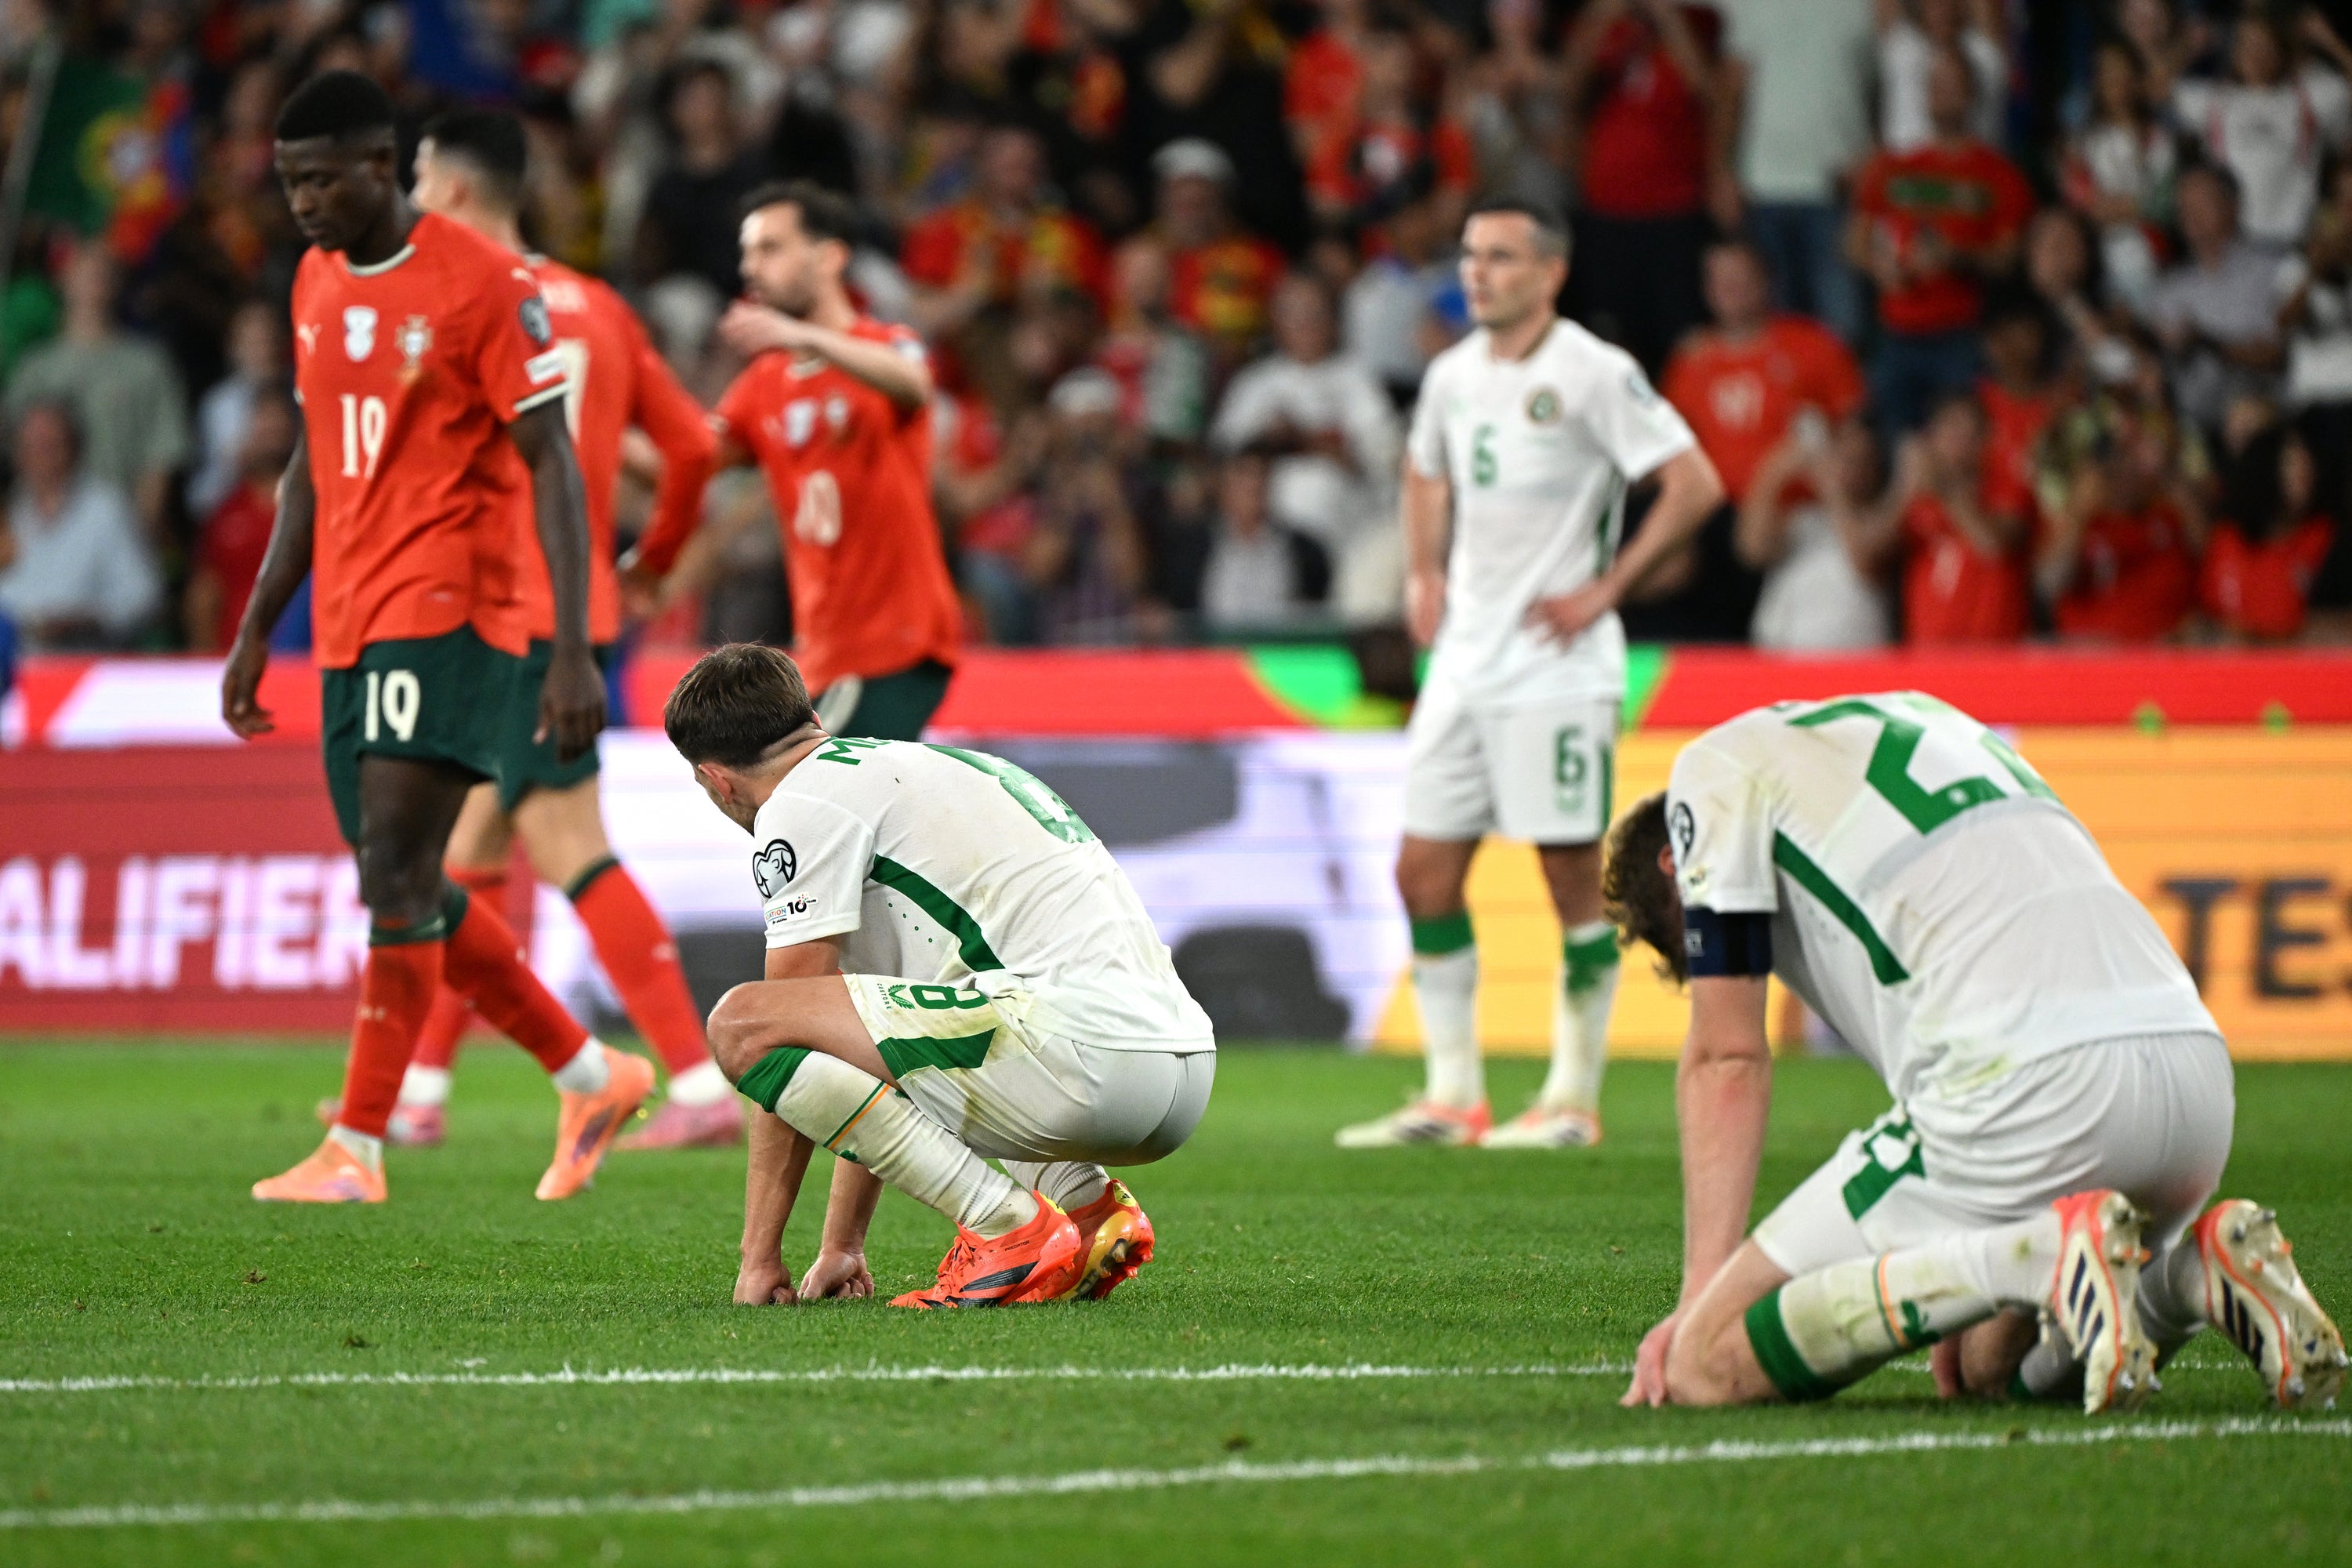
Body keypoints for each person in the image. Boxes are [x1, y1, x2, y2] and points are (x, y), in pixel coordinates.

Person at [1606, 692, 2346, 1413]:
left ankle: (2043, 1253)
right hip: (2195, 1084)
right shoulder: (1927, 719)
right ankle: (2192, 1278)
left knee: (1703, 1362)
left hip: (2032, 1085)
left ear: (1677, 864)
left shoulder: (1710, 775)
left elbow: (1726, 1057)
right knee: (1983, 1365)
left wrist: (1701, 1297)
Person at [222, 71, 653, 1205]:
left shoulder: (483, 287)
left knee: (400, 870)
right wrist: (259, 624)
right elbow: (310, 468)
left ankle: (357, 1145)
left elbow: (552, 460)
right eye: (290, 183)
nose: (305, 202)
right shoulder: (314, 285)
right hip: (350, 622)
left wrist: (569, 647)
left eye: (324, 179)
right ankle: (586, 1067)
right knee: (398, 872)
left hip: (453, 611)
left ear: (383, 166)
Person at [372, 107, 738, 1152]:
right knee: (474, 844)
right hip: (584, 615)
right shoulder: (598, 307)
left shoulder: (451, 301)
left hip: (506, 617)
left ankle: (699, 1082)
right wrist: (654, 559)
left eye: (416, 173)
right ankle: (419, 1098)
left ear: (447, 188)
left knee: (566, 845)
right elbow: (695, 454)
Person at [1336, 199, 1727, 1152]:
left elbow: (1695, 482)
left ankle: (1571, 1099)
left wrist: (1607, 588)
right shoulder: (1453, 374)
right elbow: (1425, 472)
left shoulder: (1593, 371)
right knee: (1421, 870)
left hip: (1557, 667)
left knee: (1563, 872)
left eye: (1502, 256)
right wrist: (1424, 569)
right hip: (1464, 663)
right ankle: (1453, 1092)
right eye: (1470, 254)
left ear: (1550, 273)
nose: (1478, 272)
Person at [666, 643, 1215, 1308]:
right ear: (807, 715)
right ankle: (1088, 1205)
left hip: (1083, 1063)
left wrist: (759, 1261)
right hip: (1179, 1067)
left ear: (717, 781)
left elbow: (786, 1025)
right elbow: (859, 1039)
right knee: (942, 1011)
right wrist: (841, 1247)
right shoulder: (937, 764)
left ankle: (1006, 1228)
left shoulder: (799, 805)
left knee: (744, 1023)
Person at [628, 181, 963, 742]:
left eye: (770, 248)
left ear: (830, 255)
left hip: (894, 643)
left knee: (800, 791)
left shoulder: (886, 344)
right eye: (747, 251)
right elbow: (682, 464)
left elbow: (914, 383)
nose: (750, 267)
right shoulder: (763, 385)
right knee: (843, 816)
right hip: (827, 656)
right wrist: (591, 427)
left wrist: (804, 336)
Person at [1847, 44, 2032, 434]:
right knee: (1895, 440)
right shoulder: (1894, 168)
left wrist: (1959, 257)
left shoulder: (1998, 175)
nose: (1943, 94)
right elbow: (1854, 241)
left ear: (1972, 94)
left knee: (1965, 439)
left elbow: (2011, 258)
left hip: (1961, 333)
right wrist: (1880, 266)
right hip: (1897, 332)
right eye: (1936, 85)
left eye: (1953, 85)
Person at [1210, 272, 1400, 621]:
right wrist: (1269, 442)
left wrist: (1304, 439)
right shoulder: (1256, 382)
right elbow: (1226, 460)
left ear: (1333, 319)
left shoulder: (1357, 378)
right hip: (1269, 538)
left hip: (1347, 531)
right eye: (1292, 314)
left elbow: (1381, 461)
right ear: (1276, 322)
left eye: (1314, 314)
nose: (1304, 325)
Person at [2, 240, 191, 539]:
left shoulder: (148, 365)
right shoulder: (35, 368)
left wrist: (138, 535)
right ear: (64, 280)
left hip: (120, 527)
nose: (94, 282)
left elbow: (160, 459)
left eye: (104, 273)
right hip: (43, 530)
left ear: (118, 283)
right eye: (85, 271)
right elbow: (15, 451)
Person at [1713, 0, 1875, 342]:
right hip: (1763, 185)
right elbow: (1732, 87)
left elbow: (1884, 86)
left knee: (1841, 326)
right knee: (1773, 326)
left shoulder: (1866, 6)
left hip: (1837, 187)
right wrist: (1724, 172)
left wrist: (1871, 161)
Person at [0, 402, 162, 651]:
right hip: (15, 664)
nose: (41, 456)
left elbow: (143, 596)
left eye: (50, 446)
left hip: (85, 661)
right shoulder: (8, 511)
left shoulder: (106, 509)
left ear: (73, 447)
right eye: (31, 447)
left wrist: (88, 620)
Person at [2143, 163, 2283, 436]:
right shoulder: (2169, 289)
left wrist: (2205, 340)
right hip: (2195, 434)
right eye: (2183, 204)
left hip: (2269, 422)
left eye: (2200, 201)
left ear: (2233, 205)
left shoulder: (2273, 269)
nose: (2189, 212)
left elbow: (2277, 354)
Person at [1735, 417, 1893, 650]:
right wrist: (1775, 472)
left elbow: (1864, 560)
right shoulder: (1804, 520)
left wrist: (1831, 489)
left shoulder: (1885, 520)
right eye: (1844, 457)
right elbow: (1752, 549)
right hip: (1782, 658)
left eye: (1861, 461)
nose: (1850, 470)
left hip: (1853, 663)